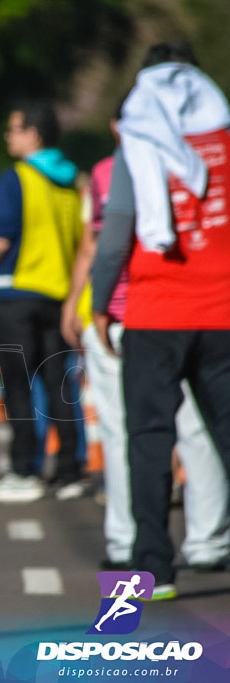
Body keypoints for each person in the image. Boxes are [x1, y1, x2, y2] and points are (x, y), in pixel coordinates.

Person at [63, 97, 229, 576]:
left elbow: (102, 242)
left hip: (137, 315)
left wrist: (87, 304)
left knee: (132, 436)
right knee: (203, 433)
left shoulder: (111, 167)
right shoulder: (217, 155)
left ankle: (135, 549)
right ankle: (209, 541)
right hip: (214, 313)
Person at [0, 100, 83, 503]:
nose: (9, 136)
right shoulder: (71, 180)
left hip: (18, 292)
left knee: (18, 385)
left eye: (14, 129)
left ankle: (24, 471)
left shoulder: (17, 177)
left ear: (33, 134)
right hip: (60, 295)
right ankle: (70, 472)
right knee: (59, 383)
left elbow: (1, 238)